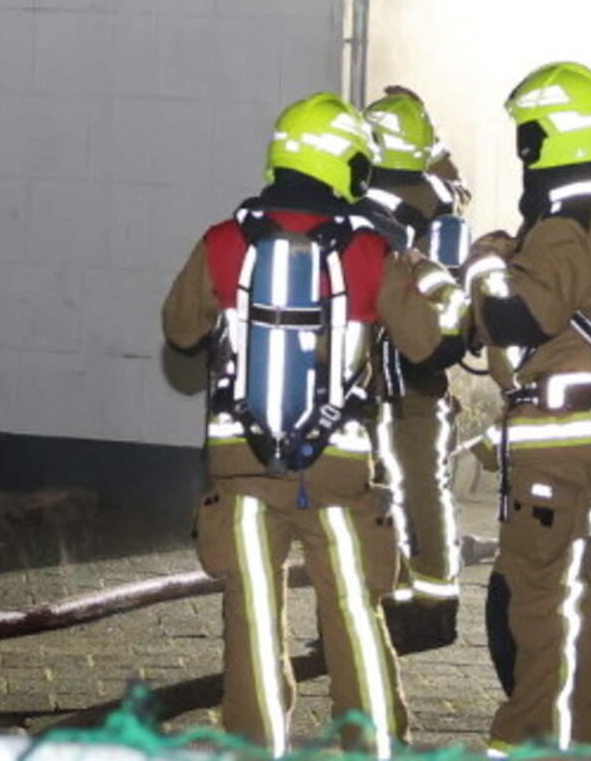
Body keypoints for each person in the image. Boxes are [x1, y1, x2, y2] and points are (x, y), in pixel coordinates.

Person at [158, 94, 458, 757]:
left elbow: (180, 334)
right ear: (347, 162)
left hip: (241, 470)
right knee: (353, 611)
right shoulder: (372, 246)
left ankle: (255, 745)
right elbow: (428, 347)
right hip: (338, 471)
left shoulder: (225, 240)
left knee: (252, 620)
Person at [462, 60, 591, 749]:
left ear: (544, 139)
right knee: (586, 600)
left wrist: (484, 269)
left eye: (526, 134)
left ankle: (521, 741)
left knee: (536, 606)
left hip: (560, 453)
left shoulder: (567, 220)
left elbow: (523, 318)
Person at [356, 86, 475, 647]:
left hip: (375, 369)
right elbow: (457, 182)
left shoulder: (360, 201)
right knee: (426, 487)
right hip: (424, 369)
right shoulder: (439, 196)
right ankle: (434, 603)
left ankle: (391, 598)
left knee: (382, 485)